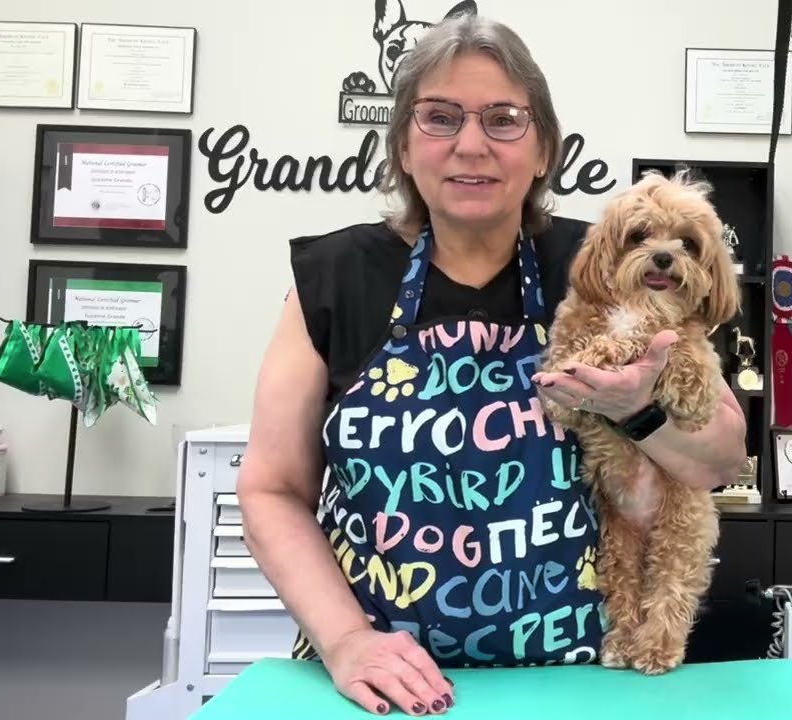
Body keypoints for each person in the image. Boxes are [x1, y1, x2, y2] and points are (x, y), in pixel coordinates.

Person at [236, 11, 748, 717]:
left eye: (503, 120)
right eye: (440, 117)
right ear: (403, 145)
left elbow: (721, 456)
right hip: (380, 683)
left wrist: (639, 410)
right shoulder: (334, 277)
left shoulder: (604, 263)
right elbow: (271, 490)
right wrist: (348, 640)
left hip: (579, 679)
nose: (471, 144)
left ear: (543, 151)